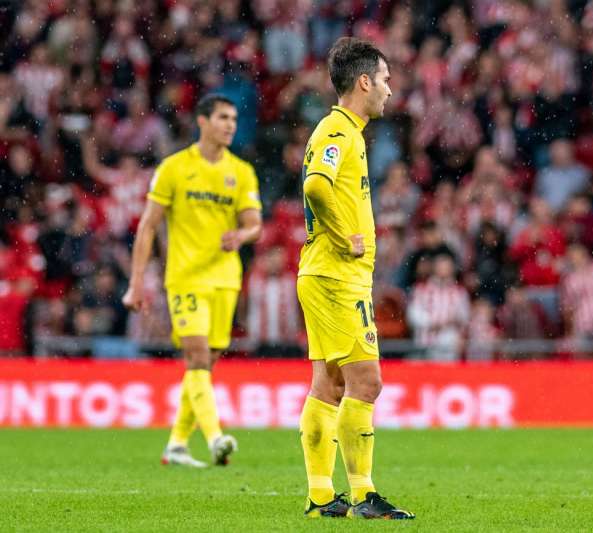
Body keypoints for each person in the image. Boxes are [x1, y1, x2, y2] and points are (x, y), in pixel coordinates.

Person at [296, 37, 414, 519]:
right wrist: (346, 236)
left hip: (323, 274)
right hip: (337, 275)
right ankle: (363, 494)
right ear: (364, 81)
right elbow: (314, 186)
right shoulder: (339, 132)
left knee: (329, 386)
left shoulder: (344, 132)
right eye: (384, 79)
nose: (389, 89)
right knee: (367, 384)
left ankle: (322, 496)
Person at [122, 94, 262, 468]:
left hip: (225, 278)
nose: (230, 124)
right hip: (185, 278)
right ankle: (216, 438)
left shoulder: (241, 171)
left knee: (206, 363)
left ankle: (177, 444)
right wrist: (136, 282)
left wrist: (242, 236)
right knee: (197, 356)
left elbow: (253, 223)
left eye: (233, 118)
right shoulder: (174, 168)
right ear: (202, 121)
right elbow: (149, 226)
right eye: (222, 117)